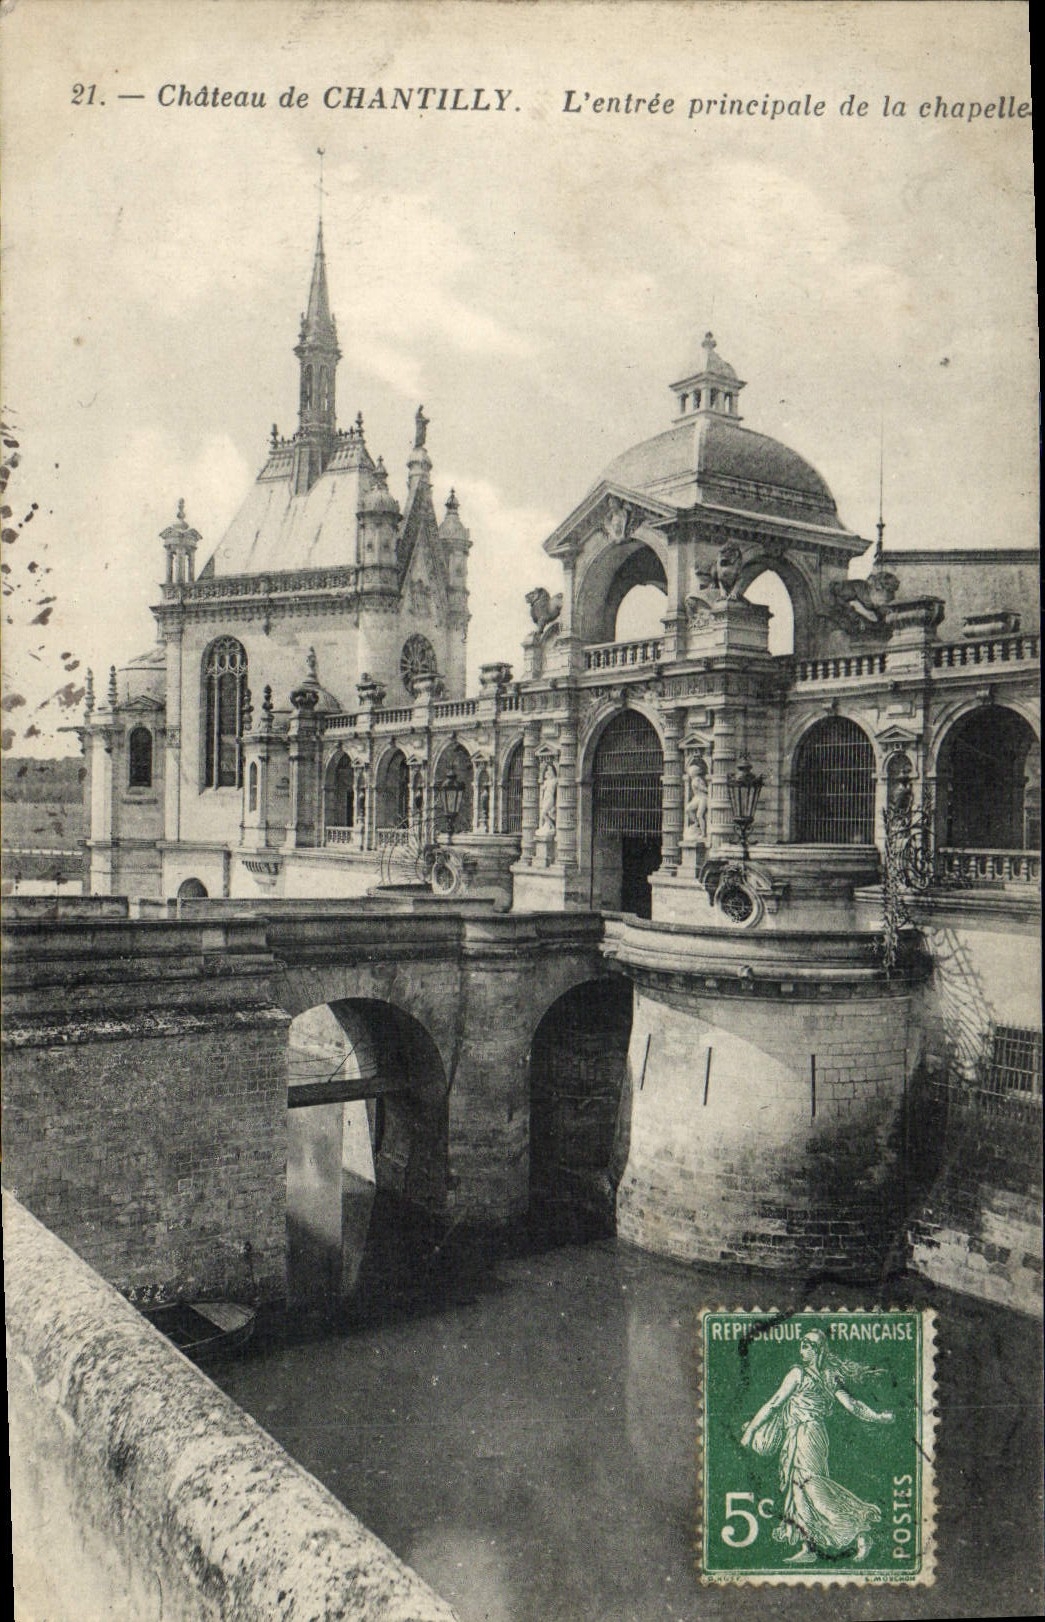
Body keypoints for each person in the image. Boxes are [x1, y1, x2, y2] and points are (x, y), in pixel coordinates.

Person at [740, 1329, 893, 1563]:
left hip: (808, 1435)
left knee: (812, 1487)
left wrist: (750, 1432)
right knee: (798, 1491)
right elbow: (852, 1405)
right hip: (801, 1434)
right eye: (802, 1344)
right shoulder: (816, 1374)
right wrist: (878, 1417)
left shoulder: (805, 1374)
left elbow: (774, 1404)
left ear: (819, 1349)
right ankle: (809, 1547)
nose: (803, 1348)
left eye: (808, 1344)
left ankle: (860, 1530)